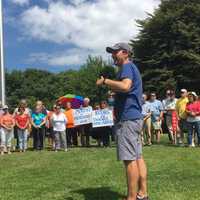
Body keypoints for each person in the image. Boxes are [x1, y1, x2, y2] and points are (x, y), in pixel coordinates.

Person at [96, 42, 149, 200]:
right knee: (138, 157)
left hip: (127, 120)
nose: (113, 55)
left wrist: (105, 81)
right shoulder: (132, 68)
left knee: (129, 159)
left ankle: (131, 197)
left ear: (125, 53)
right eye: (111, 52)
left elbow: (125, 86)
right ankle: (142, 194)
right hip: (134, 118)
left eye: (115, 52)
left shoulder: (126, 67)